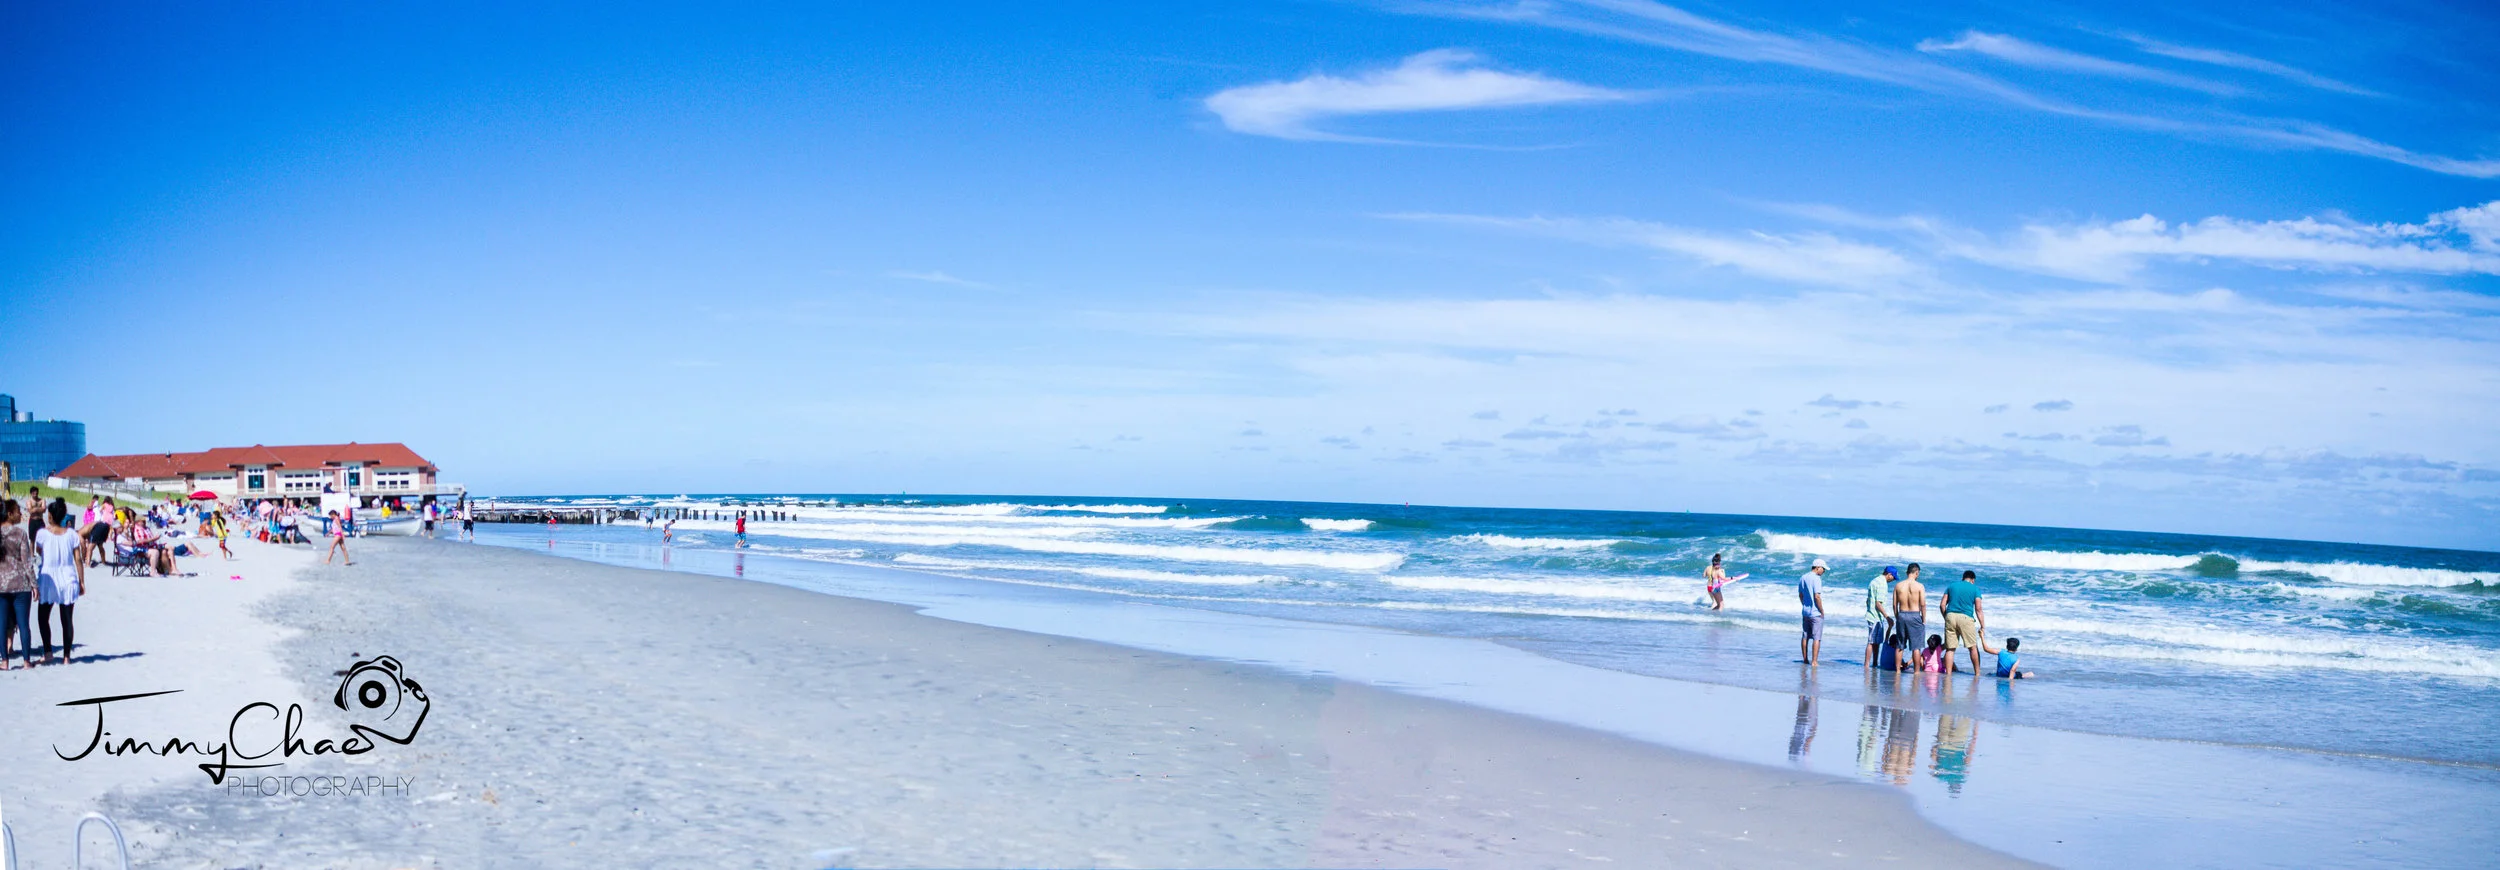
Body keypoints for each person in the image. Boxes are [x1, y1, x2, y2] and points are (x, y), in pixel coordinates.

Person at [35, 499, 83, 665]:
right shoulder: (72, 534)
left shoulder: (42, 533)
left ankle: (48, 651)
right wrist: (81, 581)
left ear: (50, 516)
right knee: (67, 619)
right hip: (68, 577)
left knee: (42, 617)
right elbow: (78, 559)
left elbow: (39, 550)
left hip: (48, 578)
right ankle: (66, 657)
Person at [0, 500, 34, 669]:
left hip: (1, 585)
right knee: (23, 624)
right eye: (18, 511)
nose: (20, 514)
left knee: (1, 623)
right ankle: (27, 661)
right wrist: (34, 584)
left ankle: (4, 661)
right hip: (21, 584)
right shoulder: (20, 533)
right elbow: (27, 562)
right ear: (9, 513)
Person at [1942, 569, 1986, 674]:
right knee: (1972, 647)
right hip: (1966, 618)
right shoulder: (1975, 589)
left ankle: (1948, 674)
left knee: (1950, 649)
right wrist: (1982, 625)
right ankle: (1977, 673)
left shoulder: (1951, 586)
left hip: (1950, 616)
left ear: (1963, 578)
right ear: (1972, 580)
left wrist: (1946, 617)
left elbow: (1942, 604)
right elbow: (1978, 609)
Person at [1891, 563, 1928, 674]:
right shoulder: (1919, 586)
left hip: (1902, 614)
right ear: (1916, 572)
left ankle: (1897, 671)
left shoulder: (1898, 585)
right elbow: (1923, 605)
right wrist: (1924, 619)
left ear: (1908, 572)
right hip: (1915, 615)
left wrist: (1897, 616)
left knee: (1900, 645)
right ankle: (1916, 672)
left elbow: (1894, 604)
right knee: (1916, 647)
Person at [1864, 566, 1896, 669]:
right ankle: (1867, 665)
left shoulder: (1874, 581)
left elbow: (1868, 600)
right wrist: (1887, 617)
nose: (1893, 580)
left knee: (1876, 642)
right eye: (1893, 577)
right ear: (1889, 574)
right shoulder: (1883, 584)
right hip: (1875, 617)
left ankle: (1873, 663)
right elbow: (1878, 603)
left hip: (1871, 614)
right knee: (1872, 642)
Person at [1798, 558, 1828, 665]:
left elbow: (1801, 595)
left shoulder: (1803, 577)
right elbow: (1817, 597)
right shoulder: (1816, 579)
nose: (1823, 571)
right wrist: (1822, 610)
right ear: (1818, 567)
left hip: (1805, 612)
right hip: (1815, 613)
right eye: (1823, 569)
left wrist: (1805, 605)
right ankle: (1814, 661)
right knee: (1817, 638)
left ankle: (1805, 659)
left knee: (1805, 636)